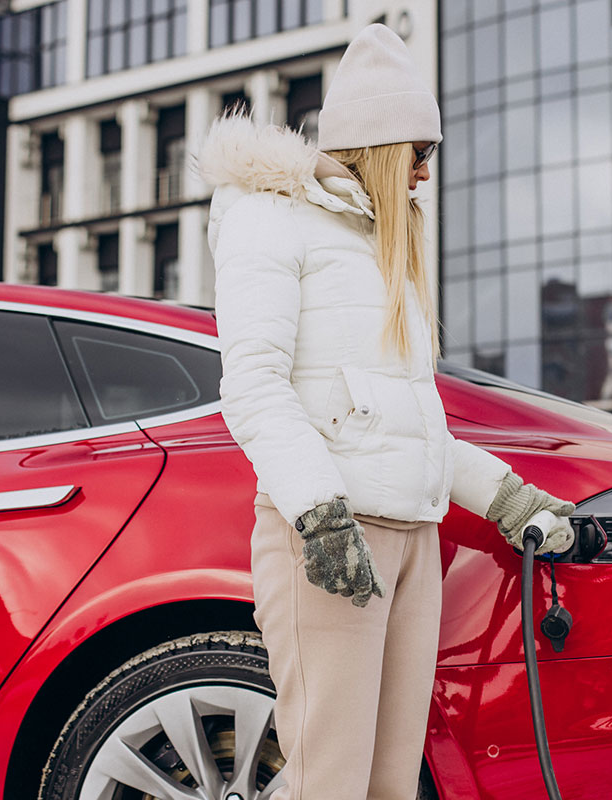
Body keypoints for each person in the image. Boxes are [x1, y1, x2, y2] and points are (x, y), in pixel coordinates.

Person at [198, 23, 578, 800]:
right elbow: (253, 384)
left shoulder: (380, 248)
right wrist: (321, 515)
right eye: (419, 153)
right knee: (327, 781)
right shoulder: (268, 221)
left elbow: (411, 417)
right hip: (329, 538)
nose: (426, 175)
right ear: (378, 143)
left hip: (412, 543)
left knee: (390, 784)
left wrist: (508, 498)